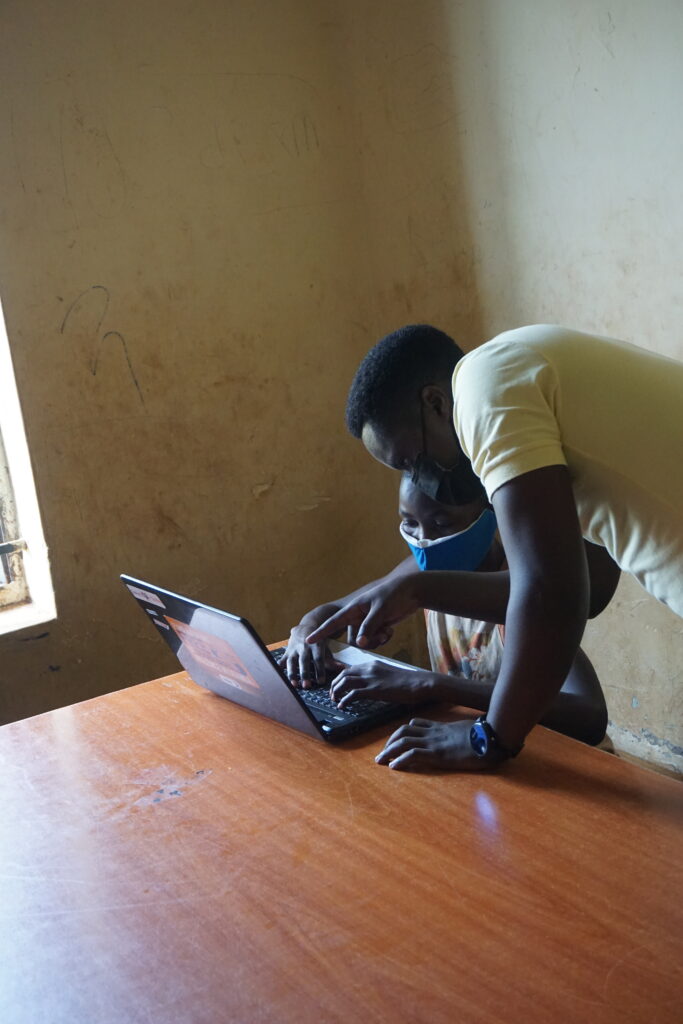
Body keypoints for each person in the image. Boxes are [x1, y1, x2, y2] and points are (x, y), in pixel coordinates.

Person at [305, 323, 683, 771]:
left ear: (435, 402)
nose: (421, 479)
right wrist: (338, 614)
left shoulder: (485, 385)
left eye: (412, 460)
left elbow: (550, 590)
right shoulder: (527, 381)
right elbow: (590, 591)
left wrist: (489, 738)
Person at [285, 473, 608, 756]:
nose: (426, 539)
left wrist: (431, 685)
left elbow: (589, 715)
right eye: (409, 522)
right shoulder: (421, 576)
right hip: (482, 750)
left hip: (551, 757)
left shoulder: (520, 594)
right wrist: (306, 632)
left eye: (442, 523)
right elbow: (335, 611)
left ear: (489, 513)